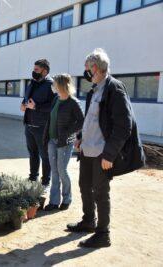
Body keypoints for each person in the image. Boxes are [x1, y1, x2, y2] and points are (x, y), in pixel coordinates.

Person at [67, 48, 145, 248]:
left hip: (102, 153)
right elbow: (91, 120)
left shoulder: (114, 89)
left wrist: (110, 154)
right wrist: (81, 137)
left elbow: (124, 125)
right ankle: (88, 222)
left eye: (87, 69)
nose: (85, 72)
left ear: (96, 68)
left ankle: (103, 234)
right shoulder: (94, 89)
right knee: (85, 186)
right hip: (87, 150)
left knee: (100, 192)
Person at [43, 74, 84, 212]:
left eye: (54, 84)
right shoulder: (56, 99)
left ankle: (67, 199)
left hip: (65, 142)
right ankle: (54, 202)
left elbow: (82, 121)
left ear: (60, 85)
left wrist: (67, 132)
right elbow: (50, 118)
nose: (52, 86)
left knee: (62, 170)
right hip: (52, 140)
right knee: (54, 171)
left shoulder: (73, 102)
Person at [21, 59, 55, 190]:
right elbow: (27, 98)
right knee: (33, 154)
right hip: (29, 125)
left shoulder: (51, 85)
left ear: (44, 71)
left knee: (45, 155)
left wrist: (37, 107)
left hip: (42, 127)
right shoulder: (33, 83)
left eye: (36, 70)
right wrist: (23, 104)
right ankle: (32, 178)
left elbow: (53, 105)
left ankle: (45, 182)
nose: (33, 72)